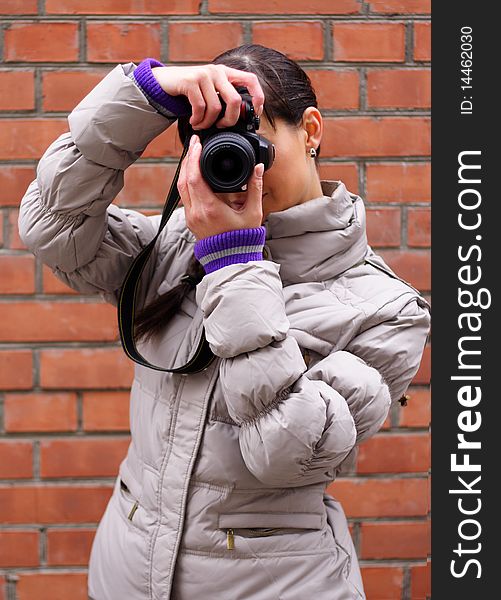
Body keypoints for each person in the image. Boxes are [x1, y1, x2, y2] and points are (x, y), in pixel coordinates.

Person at [18, 44, 431, 600]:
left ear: (310, 130)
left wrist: (236, 260)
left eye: (253, 136)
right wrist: (140, 95)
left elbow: (285, 453)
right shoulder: (173, 250)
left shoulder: (385, 309)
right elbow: (51, 227)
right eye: (210, 142)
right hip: (125, 575)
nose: (238, 161)